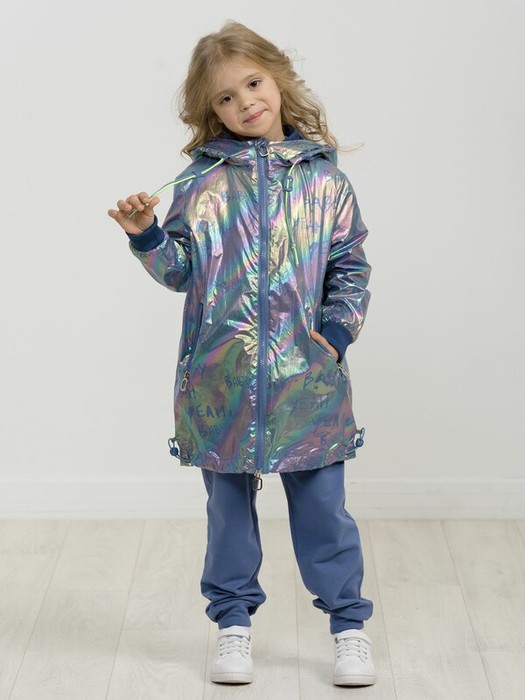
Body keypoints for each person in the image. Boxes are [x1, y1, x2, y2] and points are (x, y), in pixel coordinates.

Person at [108, 20, 375, 687]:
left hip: (306, 380)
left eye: (252, 84)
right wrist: (146, 236)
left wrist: (336, 333)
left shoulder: (325, 183)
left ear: (278, 78)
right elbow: (180, 273)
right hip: (219, 382)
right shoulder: (199, 184)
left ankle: (348, 626)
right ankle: (232, 624)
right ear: (211, 110)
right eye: (225, 97)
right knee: (227, 515)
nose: (245, 102)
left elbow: (349, 266)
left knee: (324, 513)